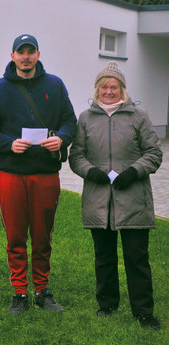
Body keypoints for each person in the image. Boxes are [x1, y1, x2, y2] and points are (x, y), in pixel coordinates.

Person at [0, 34, 76, 314]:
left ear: (38, 54)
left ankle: (42, 290)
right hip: (12, 174)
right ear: (12, 56)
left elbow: (69, 120)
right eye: (20, 52)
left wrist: (61, 139)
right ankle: (19, 292)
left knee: (43, 236)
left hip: (45, 174)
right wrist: (8, 143)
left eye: (30, 51)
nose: (25, 57)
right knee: (16, 237)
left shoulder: (54, 85)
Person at [69, 62, 162, 330]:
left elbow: (154, 153)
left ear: (122, 90)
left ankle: (143, 311)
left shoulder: (138, 116)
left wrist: (134, 171)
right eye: (104, 87)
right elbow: (77, 155)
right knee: (104, 256)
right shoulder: (86, 118)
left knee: (137, 257)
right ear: (97, 90)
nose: (109, 91)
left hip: (133, 198)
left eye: (114, 87)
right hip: (99, 200)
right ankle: (107, 304)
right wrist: (92, 172)